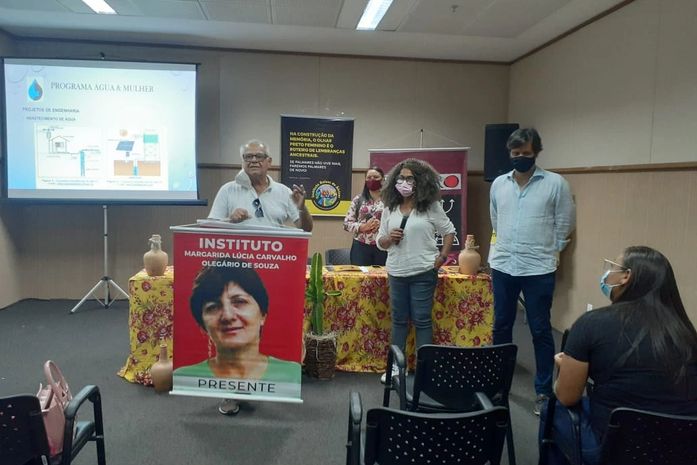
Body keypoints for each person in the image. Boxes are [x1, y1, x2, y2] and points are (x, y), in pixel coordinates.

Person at [540, 246, 697, 465]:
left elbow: (567, 397)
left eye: (613, 266)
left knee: (552, 409)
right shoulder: (686, 333)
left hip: (614, 450)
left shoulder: (591, 324)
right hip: (679, 450)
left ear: (626, 276)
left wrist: (564, 368)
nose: (607, 272)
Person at [489, 127, 576, 415]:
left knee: (540, 329)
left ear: (536, 152)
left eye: (525, 153)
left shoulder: (556, 184)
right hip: (503, 264)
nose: (520, 157)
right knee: (501, 325)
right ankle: (499, 385)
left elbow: (565, 223)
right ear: (509, 153)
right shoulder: (498, 184)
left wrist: (551, 250)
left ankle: (542, 391)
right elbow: (495, 219)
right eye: (515, 153)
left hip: (538, 267)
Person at [174, 265, 301, 415]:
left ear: (263, 314)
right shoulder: (185, 377)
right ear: (202, 326)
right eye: (213, 307)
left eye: (239, 302)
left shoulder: (292, 374)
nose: (228, 316)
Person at [376, 158, 456, 383]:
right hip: (396, 272)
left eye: (409, 178)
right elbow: (380, 241)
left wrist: (441, 258)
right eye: (401, 178)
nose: (404, 182)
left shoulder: (431, 206)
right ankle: (395, 368)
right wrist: (388, 239)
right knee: (399, 321)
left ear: (420, 181)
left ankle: (425, 369)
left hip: (423, 272)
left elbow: (449, 231)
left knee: (422, 320)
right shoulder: (389, 207)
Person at [208, 139, 313, 232]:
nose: (254, 160)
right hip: (238, 248)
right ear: (242, 162)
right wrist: (230, 220)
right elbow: (210, 228)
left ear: (269, 162)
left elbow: (306, 229)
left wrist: (302, 208)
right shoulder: (227, 190)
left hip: (274, 248)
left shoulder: (284, 192)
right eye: (248, 157)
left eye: (259, 156)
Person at [343, 166, 387, 266]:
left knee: (383, 274)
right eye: (369, 177)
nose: (372, 180)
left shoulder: (390, 200)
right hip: (361, 247)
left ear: (383, 179)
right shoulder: (358, 200)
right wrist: (362, 227)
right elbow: (346, 224)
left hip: (383, 245)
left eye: (376, 177)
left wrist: (382, 225)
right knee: (360, 274)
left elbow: (396, 222)